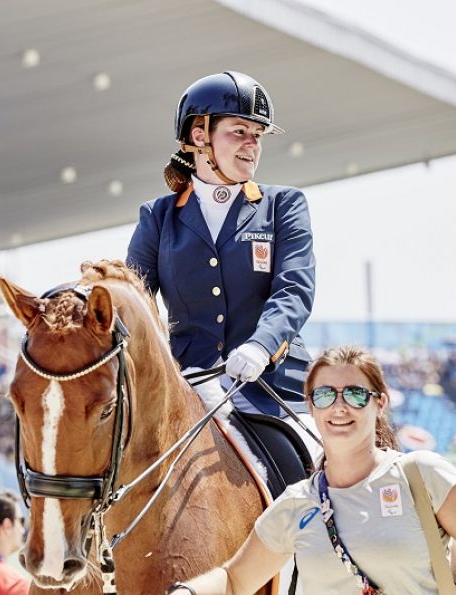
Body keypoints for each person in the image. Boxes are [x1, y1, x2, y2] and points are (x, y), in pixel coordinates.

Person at [166, 345, 456, 594]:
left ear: (379, 403)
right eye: (325, 395)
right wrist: (184, 592)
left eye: (354, 394)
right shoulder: (296, 504)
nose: (339, 406)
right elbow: (233, 581)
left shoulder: (422, 474)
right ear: (310, 406)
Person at [126, 71, 317, 448]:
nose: (251, 145)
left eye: (258, 136)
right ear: (200, 136)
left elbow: (294, 289)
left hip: (272, 385)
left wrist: (260, 345)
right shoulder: (158, 217)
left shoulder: (284, 205)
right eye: (239, 131)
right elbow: (135, 304)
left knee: (315, 473)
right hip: (187, 386)